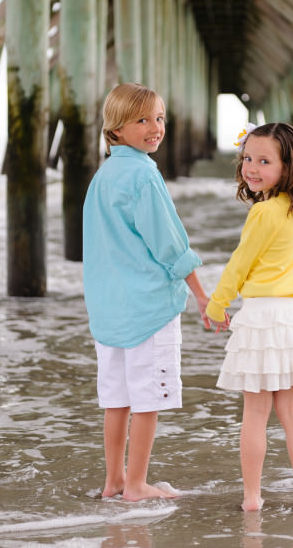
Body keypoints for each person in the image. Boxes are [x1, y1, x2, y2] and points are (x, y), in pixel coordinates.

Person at [83, 83, 211, 502]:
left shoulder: (103, 178)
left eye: (159, 118)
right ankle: (137, 486)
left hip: (108, 312)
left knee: (117, 401)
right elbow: (170, 245)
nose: (154, 128)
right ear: (116, 128)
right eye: (142, 120)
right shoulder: (143, 175)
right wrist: (201, 294)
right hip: (147, 310)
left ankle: (113, 481)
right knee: (147, 400)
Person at [205, 122, 293, 512]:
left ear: (288, 166)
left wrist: (216, 303)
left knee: (255, 414)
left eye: (263, 161)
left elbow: (240, 264)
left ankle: (252, 498)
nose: (251, 168)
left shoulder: (263, 213)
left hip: (260, 318)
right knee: (292, 412)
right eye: (246, 159)